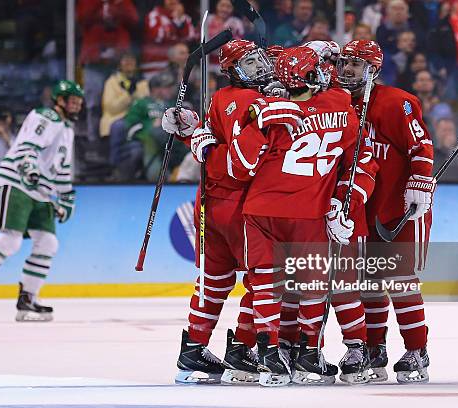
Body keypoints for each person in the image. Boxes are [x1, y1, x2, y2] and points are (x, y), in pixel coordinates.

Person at [225, 46, 377, 386]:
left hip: (260, 210)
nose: (328, 71)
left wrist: (254, 123)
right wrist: (345, 201)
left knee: (265, 285)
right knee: (314, 287)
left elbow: (239, 167)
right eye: (320, 67)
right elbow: (360, 159)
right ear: (311, 75)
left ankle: (268, 355)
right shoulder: (340, 104)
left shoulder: (268, 108)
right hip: (309, 212)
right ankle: (309, 354)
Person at [161, 39, 275, 384]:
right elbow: (238, 164)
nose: (260, 68)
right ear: (233, 71)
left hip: (209, 203)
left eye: (259, 60)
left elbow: (207, 146)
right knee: (263, 279)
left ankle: (193, 348)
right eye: (250, 64)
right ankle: (244, 348)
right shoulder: (257, 102)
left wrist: (190, 132)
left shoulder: (221, 97)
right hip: (244, 205)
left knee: (214, 280)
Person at [337, 39, 434, 383]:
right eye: (345, 62)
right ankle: (375, 347)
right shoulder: (338, 103)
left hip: (401, 208)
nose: (347, 68)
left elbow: (421, 146)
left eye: (356, 63)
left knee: (400, 280)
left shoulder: (398, 102)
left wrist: (420, 184)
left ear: (373, 70)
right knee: (368, 280)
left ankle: (416, 350)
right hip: (364, 209)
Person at [0, 80, 84, 322]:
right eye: (72, 101)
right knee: (10, 241)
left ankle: (27, 300)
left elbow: (62, 167)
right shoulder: (46, 116)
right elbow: (27, 146)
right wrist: (28, 166)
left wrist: (66, 196)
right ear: (59, 101)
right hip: (16, 183)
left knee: (48, 242)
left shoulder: (67, 130)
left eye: (79, 102)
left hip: (39, 191)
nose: (76, 106)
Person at [76, 0, 139, 142]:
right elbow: (81, 18)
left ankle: (117, 139)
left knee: (122, 99)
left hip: (118, 61)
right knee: (94, 103)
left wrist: (118, 4)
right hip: (94, 62)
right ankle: (93, 140)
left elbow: (133, 19)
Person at [141, 0, 196, 77]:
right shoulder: (154, 15)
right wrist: (176, 23)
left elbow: (190, 37)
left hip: (178, 66)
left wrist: (180, 21)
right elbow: (157, 36)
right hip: (155, 66)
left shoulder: (184, 18)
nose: (173, 1)